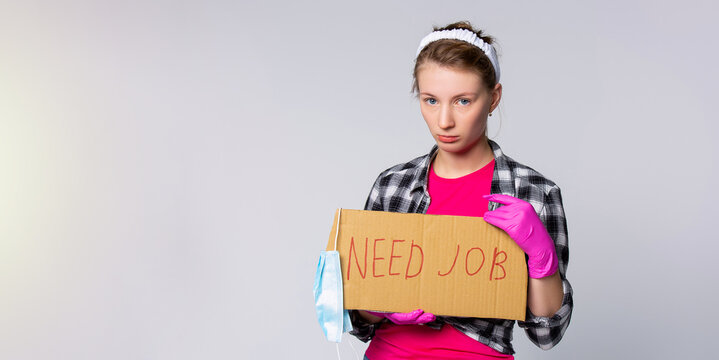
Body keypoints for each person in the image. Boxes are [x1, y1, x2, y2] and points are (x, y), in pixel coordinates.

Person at [349, 21, 574, 359]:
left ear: (493, 97)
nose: (444, 121)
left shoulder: (534, 193)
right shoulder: (392, 184)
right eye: (430, 100)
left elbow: (546, 333)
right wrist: (380, 306)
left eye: (463, 101)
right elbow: (358, 320)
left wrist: (543, 262)